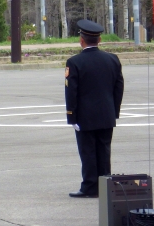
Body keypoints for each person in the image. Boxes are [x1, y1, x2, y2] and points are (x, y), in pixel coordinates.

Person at [66, 19, 124, 198]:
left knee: (88, 152)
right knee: (104, 150)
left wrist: (72, 117)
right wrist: (114, 110)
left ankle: (90, 187)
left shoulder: (75, 62)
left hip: (85, 116)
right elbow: (118, 86)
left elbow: (71, 92)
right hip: (107, 114)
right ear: (99, 40)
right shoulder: (112, 59)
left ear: (81, 40)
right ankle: (105, 185)